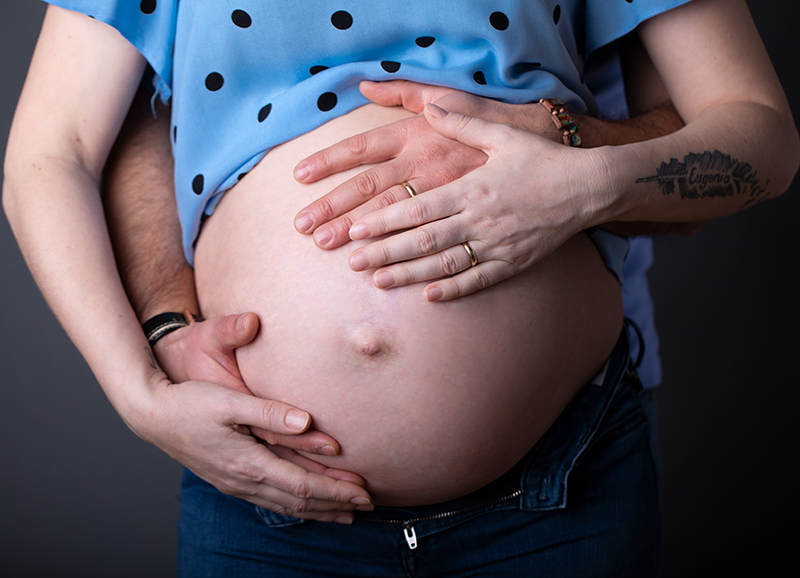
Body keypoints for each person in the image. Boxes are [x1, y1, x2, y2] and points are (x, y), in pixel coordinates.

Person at [3, 0, 797, 575]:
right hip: (267, 505)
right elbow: (53, 149)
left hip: (560, 488)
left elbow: (762, 140)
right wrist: (138, 391)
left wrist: (578, 177)